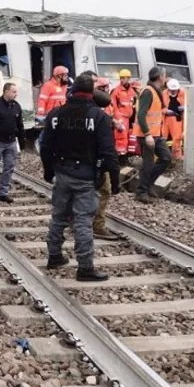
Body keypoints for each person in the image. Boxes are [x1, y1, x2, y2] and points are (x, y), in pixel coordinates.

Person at [40, 72, 119, 281]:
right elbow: (108, 151)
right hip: (85, 175)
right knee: (83, 221)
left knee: (58, 216)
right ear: (91, 93)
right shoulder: (98, 117)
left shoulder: (56, 114)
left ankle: (54, 256)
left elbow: (45, 146)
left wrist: (48, 170)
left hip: (62, 172)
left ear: (72, 91)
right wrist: (115, 180)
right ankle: (85, 268)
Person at [133, 67, 172, 203]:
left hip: (156, 134)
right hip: (147, 135)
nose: (166, 79)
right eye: (164, 76)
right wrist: (147, 134)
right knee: (148, 164)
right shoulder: (148, 92)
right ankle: (141, 192)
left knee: (166, 158)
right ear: (160, 77)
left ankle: (148, 184)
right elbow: (141, 114)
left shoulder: (155, 91)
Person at [92, 88, 124, 241]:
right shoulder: (101, 118)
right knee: (104, 191)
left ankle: (75, 220)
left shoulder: (70, 112)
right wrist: (115, 179)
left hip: (72, 163)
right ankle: (97, 225)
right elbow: (108, 150)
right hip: (96, 163)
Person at [110, 69, 138, 155]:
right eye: (121, 78)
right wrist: (118, 118)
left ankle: (126, 153)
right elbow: (113, 106)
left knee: (129, 136)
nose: (121, 80)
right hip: (121, 117)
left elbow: (134, 104)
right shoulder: (116, 91)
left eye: (123, 78)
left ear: (128, 78)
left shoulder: (132, 91)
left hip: (129, 117)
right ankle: (120, 154)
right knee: (121, 136)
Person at [163, 79, 186, 160]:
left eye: (175, 90)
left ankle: (177, 157)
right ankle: (162, 156)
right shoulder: (164, 93)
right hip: (165, 118)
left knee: (177, 138)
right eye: (171, 90)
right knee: (162, 138)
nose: (173, 91)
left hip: (177, 118)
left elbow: (190, 105)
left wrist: (184, 107)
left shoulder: (183, 93)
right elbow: (160, 106)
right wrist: (166, 111)